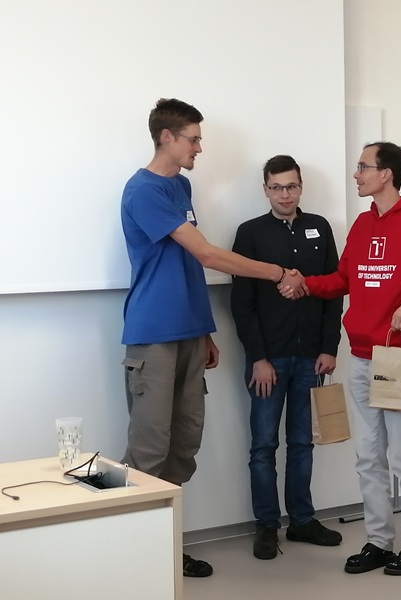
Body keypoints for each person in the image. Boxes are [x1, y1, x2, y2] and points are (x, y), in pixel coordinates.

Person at [120, 98, 303, 578]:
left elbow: (184, 266)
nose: (199, 148)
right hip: (153, 335)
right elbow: (205, 255)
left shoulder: (181, 185)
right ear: (167, 137)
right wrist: (278, 271)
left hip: (188, 333)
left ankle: (165, 550)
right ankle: (132, 558)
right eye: (193, 139)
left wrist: (204, 330)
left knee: (183, 447)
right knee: (148, 452)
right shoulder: (143, 190)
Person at [280, 142, 401, 576]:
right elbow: (344, 279)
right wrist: (306, 283)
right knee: (367, 457)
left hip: (395, 360)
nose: (356, 174)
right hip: (362, 357)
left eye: (363, 166)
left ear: (386, 174)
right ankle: (379, 541)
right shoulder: (363, 224)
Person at [230, 155, 344, 560]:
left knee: (302, 443)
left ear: (301, 187)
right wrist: (258, 358)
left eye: (291, 186)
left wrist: (329, 347)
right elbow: (242, 303)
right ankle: (266, 525)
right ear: (265, 189)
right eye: (277, 187)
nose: (285, 194)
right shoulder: (250, 233)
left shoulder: (320, 227)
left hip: (310, 358)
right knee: (263, 446)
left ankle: (301, 521)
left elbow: (334, 290)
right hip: (269, 362)